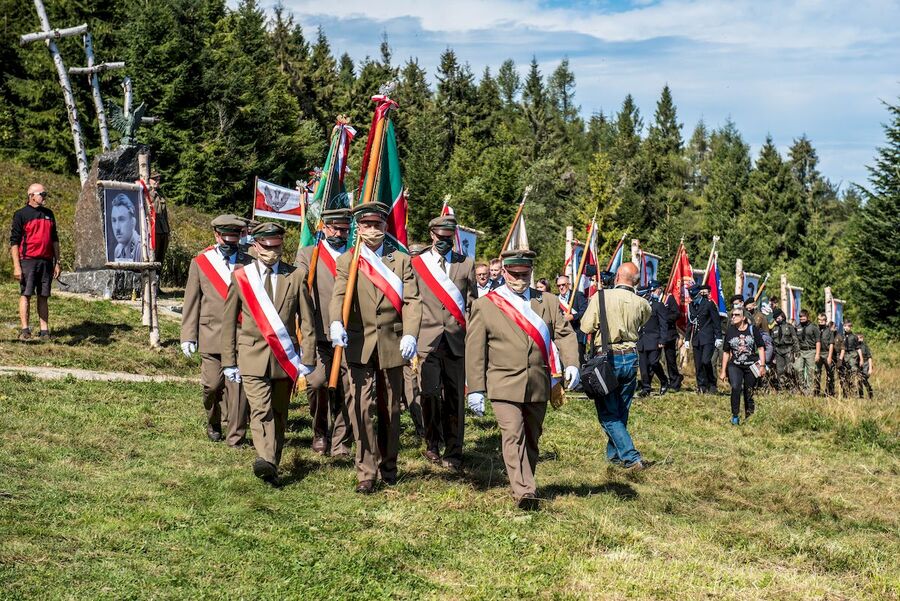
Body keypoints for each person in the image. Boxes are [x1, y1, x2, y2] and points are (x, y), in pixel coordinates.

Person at [466, 249, 579, 508]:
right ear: (504, 272)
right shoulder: (486, 305)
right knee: (513, 434)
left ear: (531, 272)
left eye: (524, 274)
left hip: (538, 382)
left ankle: (525, 480)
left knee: (532, 436)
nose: (519, 279)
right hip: (503, 383)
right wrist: (475, 388)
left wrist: (572, 362)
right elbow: (475, 349)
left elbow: (564, 334)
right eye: (514, 274)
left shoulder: (547, 301)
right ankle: (525, 491)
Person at [329, 202, 422, 494]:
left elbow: (412, 301)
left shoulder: (401, 261)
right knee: (361, 408)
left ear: (385, 227)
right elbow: (339, 295)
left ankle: (389, 466)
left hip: (393, 342)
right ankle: (366, 471)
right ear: (358, 228)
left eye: (377, 225)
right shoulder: (348, 260)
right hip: (360, 343)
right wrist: (335, 321)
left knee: (391, 409)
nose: (372, 230)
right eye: (367, 225)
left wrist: (411, 334)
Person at [221, 222, 316, 485]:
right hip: (252, 356)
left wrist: (308, 358)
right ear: (256, 245)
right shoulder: (242, 277)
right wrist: (229, 361)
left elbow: (307, 321)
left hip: (285, 359)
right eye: (267, 247)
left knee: (279, 413)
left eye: (277, 247)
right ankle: (266, 459)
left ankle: (272, 462)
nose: (272, 252)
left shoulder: (295, 276)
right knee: (261, 410)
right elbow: (228, 322)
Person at [412, 214, 476, 470]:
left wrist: (470, 332)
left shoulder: (466, 264)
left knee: (454, 397)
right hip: (427, 339)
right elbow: (412, 301)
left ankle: (454, 450)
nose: (444, 241)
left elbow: (471, 304)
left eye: (449, 238)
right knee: (429, 393)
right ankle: (432, 442)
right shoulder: (418, 264)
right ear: (432, 235)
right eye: (440, 237)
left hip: (456, 339)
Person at [181, 215, 251, 447]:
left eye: (234, 239)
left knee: (237, 388)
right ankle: (214, 421)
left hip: (240, 335)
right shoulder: (201, 262)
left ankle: (235, 433)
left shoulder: (250, 262)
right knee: (212, 385)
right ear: (216, 235)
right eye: (225, 239)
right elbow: (192, 301)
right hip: (211, 334)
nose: (230, 243)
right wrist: (188, 335)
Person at [580, 262, 651, 470]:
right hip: (631, 356)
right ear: (635, 282)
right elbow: (644, 320)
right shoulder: (642, 303)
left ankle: (630, 456)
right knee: (621, 409)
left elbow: (586, 326)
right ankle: (614, 456)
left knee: (608, 413)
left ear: (618, 276)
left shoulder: (601, 297)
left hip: (607, 357)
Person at [295, 208, 355, 457]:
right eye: (335, 229)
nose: (340, 234)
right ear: (324, 227)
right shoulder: (309, 254)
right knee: (318, 383)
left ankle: (341, 442)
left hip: (349, 334)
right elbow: (298, 286)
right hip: (319, 333)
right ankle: (321, 431)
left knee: (347, 388)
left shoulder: (356, 255)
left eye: (345, 230)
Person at [9, 183, 60, 341]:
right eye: (42, 194)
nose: (45, 197)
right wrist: (17, 266)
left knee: (43, 296)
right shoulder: (20, 214)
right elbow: (14, 242)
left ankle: (44, 331)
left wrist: (57, 262)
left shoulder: (49, 214)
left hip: (46, 261)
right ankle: (25, 330)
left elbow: (55, 240)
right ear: (31, 196)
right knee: (26, 294)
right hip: (28, 261)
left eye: (45, 194)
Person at [719, 308, 766, 425]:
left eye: (736, 315)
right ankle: (735, 415)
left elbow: (761, 348)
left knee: (748, 390)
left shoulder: (752, 329)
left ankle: (749, 416)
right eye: (732, 315)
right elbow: (726, 352)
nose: (733, 317)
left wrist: (762, 366)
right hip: (735, 365)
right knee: (736, 387)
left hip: (751, 366)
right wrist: (723, 370)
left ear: (743, 317)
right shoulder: (730, 331)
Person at [636, 280, 670, 397]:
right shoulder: (637, 307)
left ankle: (664, 380)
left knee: (654, 362)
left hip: (654, 339)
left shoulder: (657, 305)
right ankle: (646, 388)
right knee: (643, 366)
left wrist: (662, 340)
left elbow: (663, 324)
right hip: (641, 340)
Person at [686, 284, 722, 394]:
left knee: (706, 361)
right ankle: (701, 386)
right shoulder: (690, 306)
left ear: (699, 295)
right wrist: (687, 338)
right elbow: (690, 323)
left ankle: (712, 383)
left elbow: (716, 321)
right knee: (698, 364)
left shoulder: (709, 304)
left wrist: (718, 337)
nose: (693, 299)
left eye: (695, 297)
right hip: (696, 339)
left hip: (708, 337)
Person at [555, 275, 588, 365]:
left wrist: (573, 317)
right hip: (563, 335)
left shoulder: (577, 295)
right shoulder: (555, 299)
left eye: (563, 285)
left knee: (578, 361)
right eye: (559, 285)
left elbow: (585, 311)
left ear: (568, 284)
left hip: (577, 333)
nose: (561, 287)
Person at [661, 288, 683, 391]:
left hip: (669, 334)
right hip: (657, 334)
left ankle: (675, 381)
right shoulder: (652, 299)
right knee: (653, 359)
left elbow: (677, 313)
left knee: (670, 360)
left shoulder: (669, 298)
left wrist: (665, 318)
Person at [147, 172, 170, 269]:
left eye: (158, 179)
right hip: (154, 231)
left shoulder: (161, 194)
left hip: (163, 230)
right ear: (149, 180)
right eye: (154, 179)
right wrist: (152, 192)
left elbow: (165, 215)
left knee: (161, 258)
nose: (157, 181)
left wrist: (168, 231)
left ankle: (158, 276)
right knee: (153, 257)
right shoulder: (147, 194)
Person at [110, 193, 142, 262]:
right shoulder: (118, 250)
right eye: (114, 220)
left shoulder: (140, 249)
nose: (117, 228)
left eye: (121, 219)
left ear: (133, 222)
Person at [771, 311, 798, 390]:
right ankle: (782, 388)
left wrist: (797, 352)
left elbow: (795, 339)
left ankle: (792, 388)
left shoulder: (789, 327)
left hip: (788, 350)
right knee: (780, 371)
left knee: (790, 370)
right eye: (775, 318)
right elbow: (772, 342)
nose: (777, 319)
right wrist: (774, 355)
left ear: (782, 316)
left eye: (778, 317)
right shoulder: (774, 328)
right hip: (778, 352)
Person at [793, 309, 818, 394]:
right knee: (797, 368)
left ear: (807, 317)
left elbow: (818, 341)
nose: (801, 318)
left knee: (811, 372)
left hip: (811, 351)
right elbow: (795, 340)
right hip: (801, 352)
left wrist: (817, 354)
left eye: (803, 316)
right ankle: (803, 389)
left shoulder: (813, 327)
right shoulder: (797, 327)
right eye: (800, 317)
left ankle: (809, 391)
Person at [813, 313, 836, 397]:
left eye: (822, 320)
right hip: (818, 353)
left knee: (830, 373)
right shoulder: (816, 329)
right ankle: (816, 391)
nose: (820, 322)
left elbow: (831, 344)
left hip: (826, 353)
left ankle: (829, 392)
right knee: (817, 373)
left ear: (826, 321)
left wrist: (829, 356)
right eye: (819, 320)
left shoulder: (829, 331)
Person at [839, 321, 859, 396]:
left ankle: (854, 392)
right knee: (844, 373)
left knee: (853, 372)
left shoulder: (854, 336)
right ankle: (846, 392)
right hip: (844, 354)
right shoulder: (842, 336)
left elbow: (858, 348)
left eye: (848, 326)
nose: (846, 328)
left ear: (851, 327)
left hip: (852, 354)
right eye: (845, 326)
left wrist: (861, 359)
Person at [856, 332, 873, 398]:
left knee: (864, 379)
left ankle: (870, 393)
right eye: (857, 338)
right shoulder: (855, 346)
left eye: (860, 338)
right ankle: (861, 396)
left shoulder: (865, 346)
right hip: (858, 364)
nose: (859, 339)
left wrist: (870, 368)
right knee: (859, 380)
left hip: (866, 364)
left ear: (862, 338)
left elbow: (869, 358)